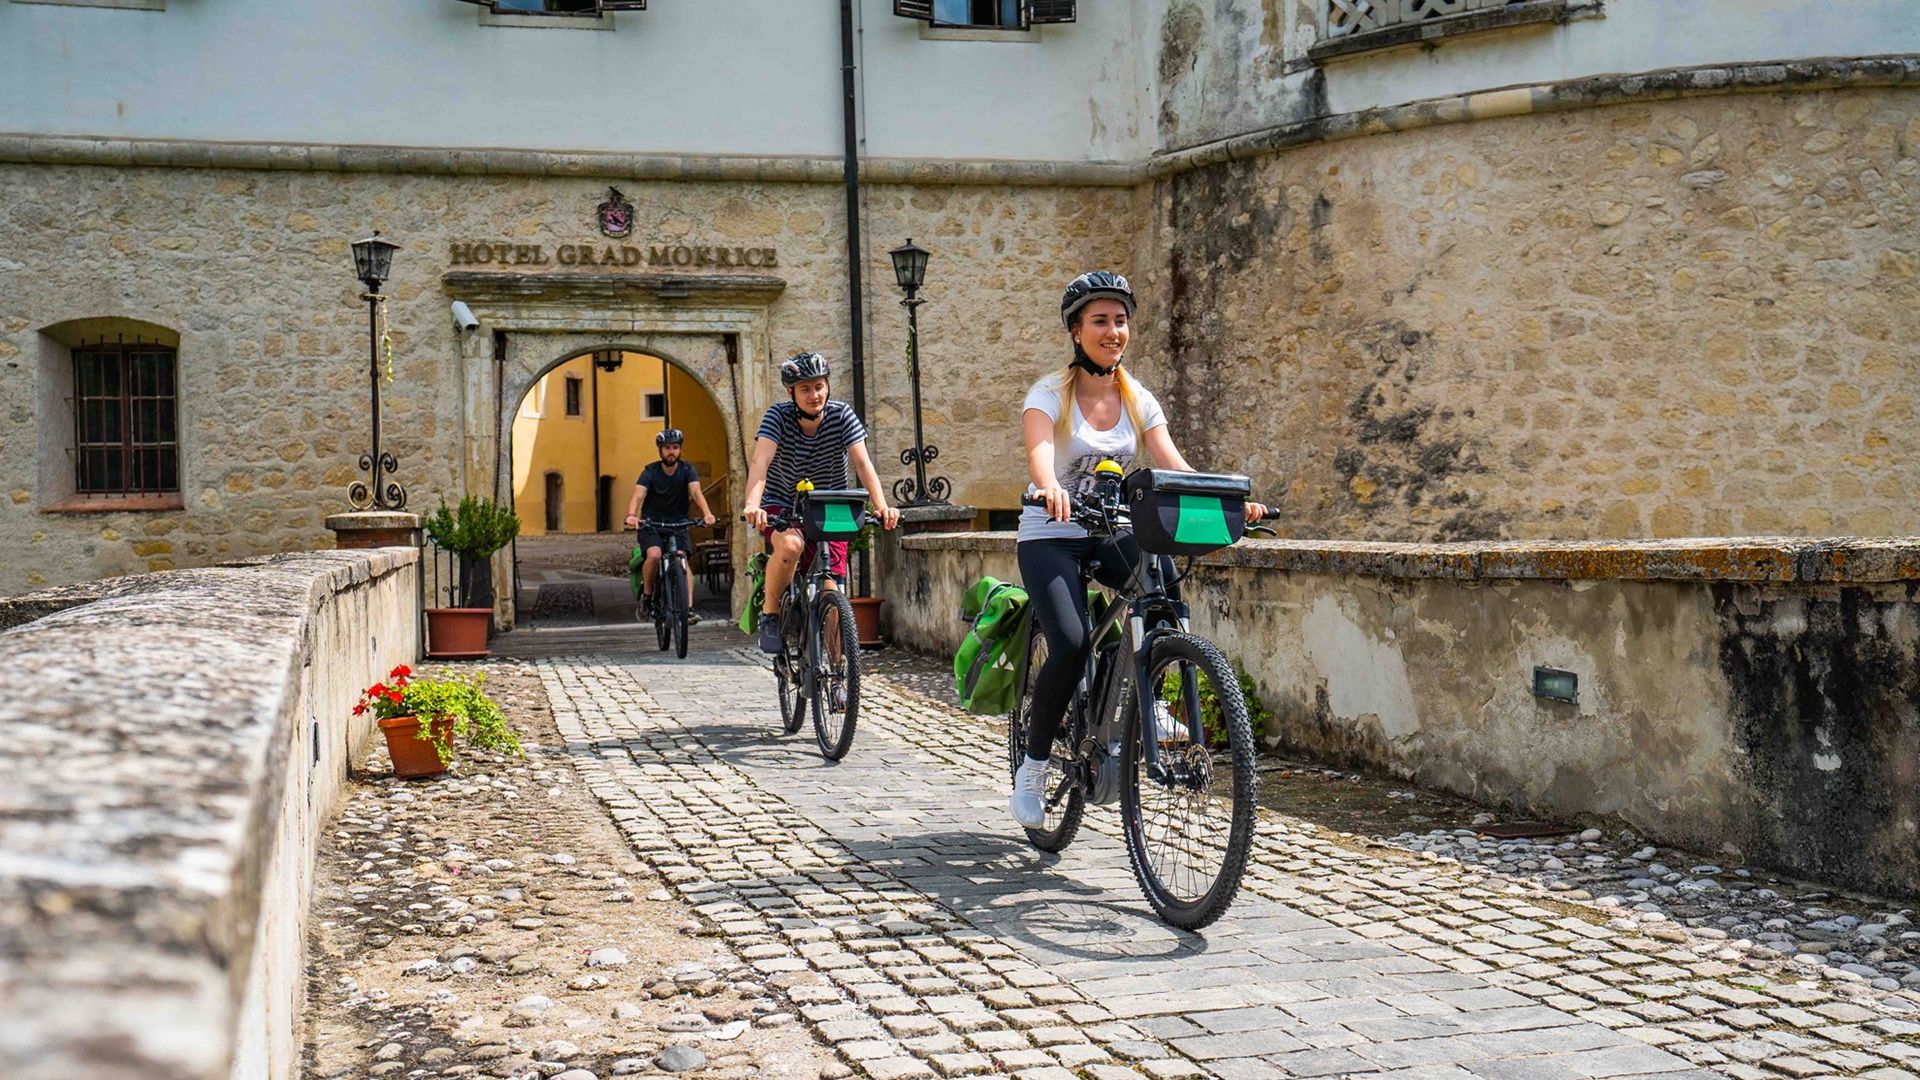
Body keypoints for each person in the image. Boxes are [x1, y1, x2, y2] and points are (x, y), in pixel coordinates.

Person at [1011, 271, 1268, 830]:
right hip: (1050, 531)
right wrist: (1049, 486)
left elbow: (1173, 463)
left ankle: (1145, 686)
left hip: (1111, 526)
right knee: (1073, 642)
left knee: (1163, 595)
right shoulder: (1048, 394)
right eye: (1099, 321)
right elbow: (1038, 452)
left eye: (1120, 320)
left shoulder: (1136, 396)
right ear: (1076, 331)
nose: (1113, 331)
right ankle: (1032, 769)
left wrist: (1224, 499)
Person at [741, 351, 899, 661]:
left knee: (833, 590)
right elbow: (761, 460)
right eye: (805, 388)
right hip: (782, 502)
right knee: (789, 546)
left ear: (827, 386)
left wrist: (882, 506)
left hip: (830, 503)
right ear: (791, 393)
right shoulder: (777, 417)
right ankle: (771, 614)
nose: (814, 395)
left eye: (819, 386)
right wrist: (752, 504)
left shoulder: (842, 416)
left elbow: (863, 463)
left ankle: (839, 673)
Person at [623, 428, 718, 621]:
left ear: (680, 450)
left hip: (679, 522)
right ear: (660, 451)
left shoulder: (687, 470)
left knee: (682, 561)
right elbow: (638, 494)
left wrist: (707, 514)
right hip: (652, 522)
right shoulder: (650, 472)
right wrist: (632, 515)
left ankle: (688, 609)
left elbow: (696, 493)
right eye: (667, 448)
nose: (671, 452)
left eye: (675, 447)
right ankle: (648, 597)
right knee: (654, 554)